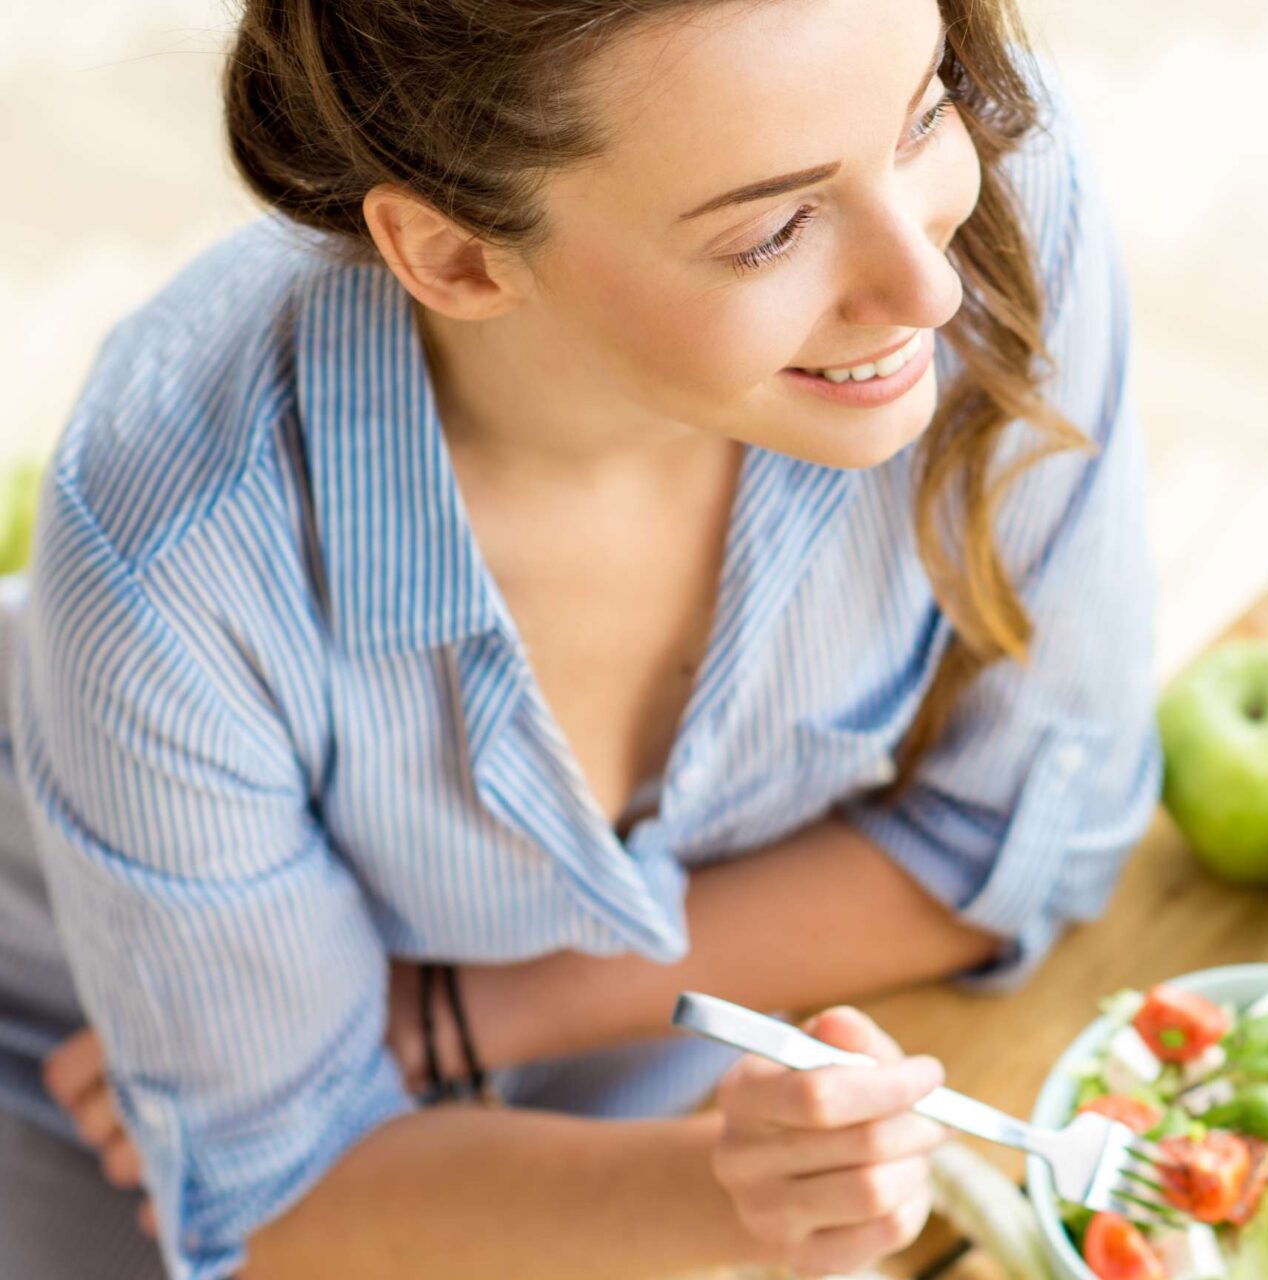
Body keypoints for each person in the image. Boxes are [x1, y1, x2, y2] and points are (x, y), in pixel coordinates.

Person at [0, 0, 1158, 1275]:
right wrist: (734, 1192)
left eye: (924, 108)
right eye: (773, 230)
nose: (926, 284)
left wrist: (453, 1016)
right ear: (454, 257)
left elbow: (1036, 829)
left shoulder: (997, 217)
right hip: (76, 1069)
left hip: (573, 1077)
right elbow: (276, 1198)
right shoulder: (175, 543)